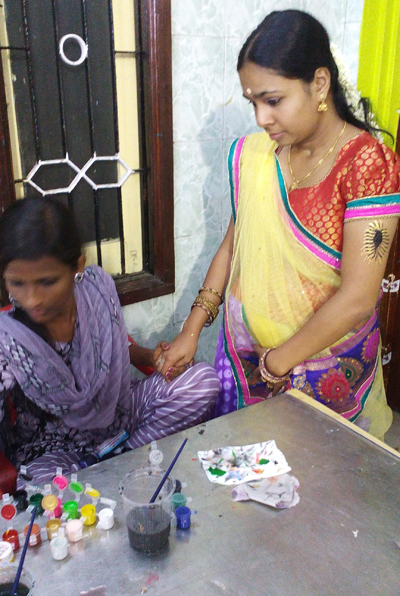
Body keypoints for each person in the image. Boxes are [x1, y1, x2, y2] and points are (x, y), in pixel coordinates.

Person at [157, 10, 400, 440]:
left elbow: (359, 297)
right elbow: (233, 246)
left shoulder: (366, 165)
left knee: (320, 476)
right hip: (247, 359)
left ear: (319, 84)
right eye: (252, 102)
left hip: (325, 372)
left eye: (272, 101)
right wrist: (191, 330)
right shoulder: (255, 156)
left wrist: (277, 362)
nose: (260, 118)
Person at [0, 197, 219, 484]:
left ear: (77, 266)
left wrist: (151, 358)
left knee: (203, 381)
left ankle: (117, 461)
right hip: (54, 448)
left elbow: (111, 347)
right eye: (17, 283)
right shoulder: (8, 339)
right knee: (39, 484)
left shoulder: (97, 293)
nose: (32, 300)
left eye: (47, 282)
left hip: (119, 417)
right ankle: (121, 466)